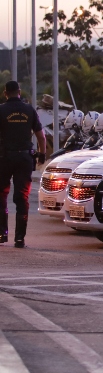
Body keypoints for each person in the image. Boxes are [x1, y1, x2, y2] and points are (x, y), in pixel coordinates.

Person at [0, 81, 46, 248]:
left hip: (4, 158)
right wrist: (42, 155)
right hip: (25, 158)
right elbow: (41, 137)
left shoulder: (1, 110)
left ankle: (1, 234)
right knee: (22, 197)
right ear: (19, 92)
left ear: (6, 93)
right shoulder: (29, 110)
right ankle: (20, 238)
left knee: (1, 195)